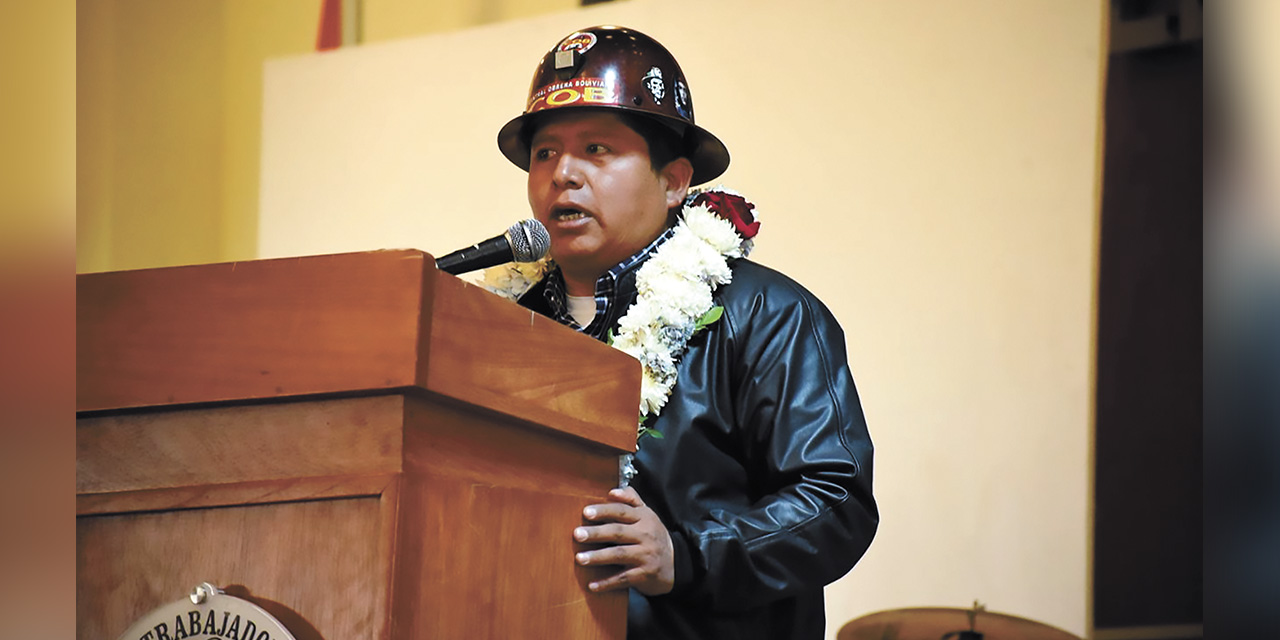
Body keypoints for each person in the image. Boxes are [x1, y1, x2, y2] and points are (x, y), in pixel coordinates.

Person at [490, 25, 878, 639]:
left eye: (596, 149)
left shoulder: (764, 314)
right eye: (545, 153)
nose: (563, 173)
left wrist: (685, 556)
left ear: (674, 181)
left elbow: (834, 501)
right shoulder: (499, 325)